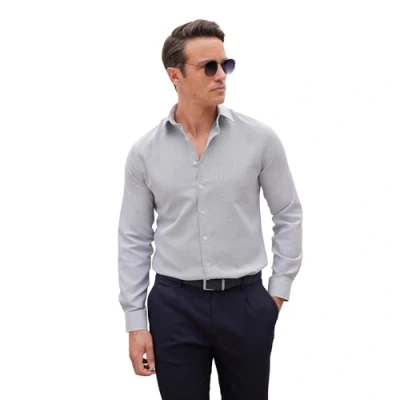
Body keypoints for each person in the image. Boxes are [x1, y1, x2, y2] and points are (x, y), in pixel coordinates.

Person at [117, 19, 303, 400]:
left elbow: (288, 213)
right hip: (174, 307)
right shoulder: (144, 154)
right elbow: (134, 238)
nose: (222, 75)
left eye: (225, 64)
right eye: (209, 67)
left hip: (245, 303)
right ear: (175, 75)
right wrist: (136, 322)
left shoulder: (260, 140)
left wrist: (275, 295)